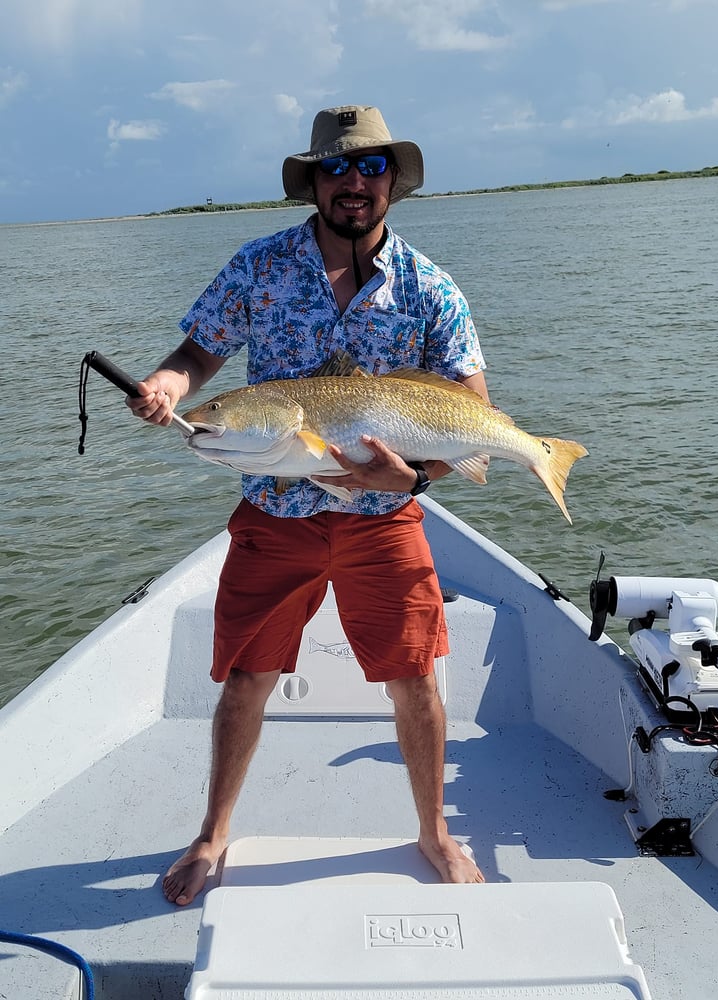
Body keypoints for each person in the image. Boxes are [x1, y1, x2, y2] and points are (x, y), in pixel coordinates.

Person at [128, 105, 489, 904]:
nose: (354, 183)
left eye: (370, 168)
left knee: (415, 681)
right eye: (337, 169)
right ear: (314, 182)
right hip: (275, 515)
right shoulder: (259, 266)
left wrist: (417, 479)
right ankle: (213, 834)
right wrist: (167, 385)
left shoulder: (430, 286)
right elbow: (199, 353)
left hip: (383, 521)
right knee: (249, 677)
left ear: (393, 180)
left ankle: (433, 831)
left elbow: (471, 408)